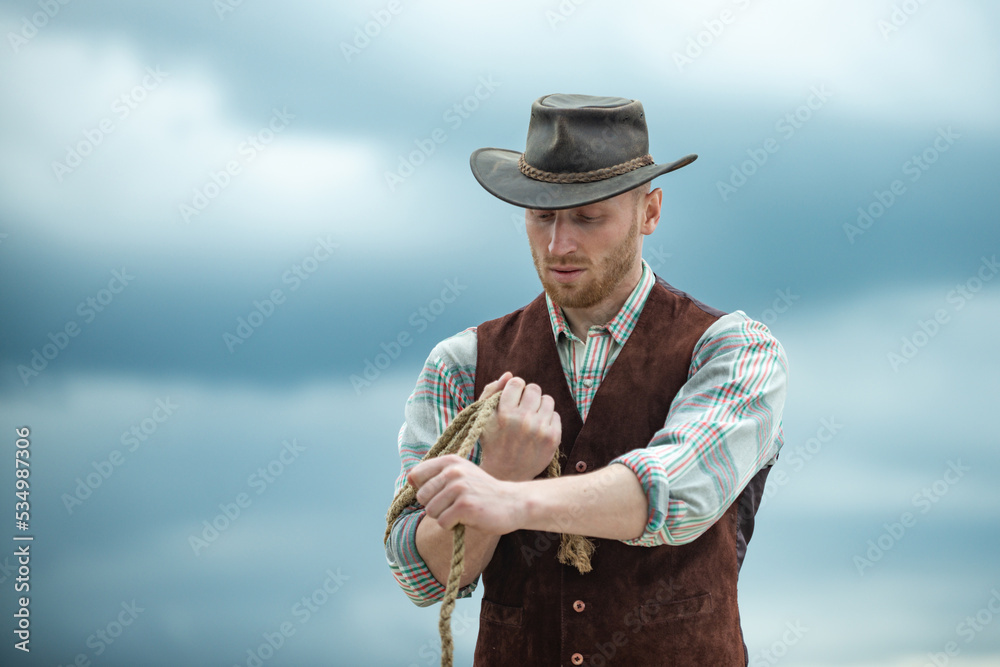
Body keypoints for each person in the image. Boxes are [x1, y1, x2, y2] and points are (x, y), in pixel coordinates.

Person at [384, 93, 788, 666]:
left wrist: (508, 498)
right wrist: (499, 468)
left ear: (650, 212)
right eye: (542, 215)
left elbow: (674, 494)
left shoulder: (734, 351)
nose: (558, 244)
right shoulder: (460, 364)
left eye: (588, 217)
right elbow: (421, 577)